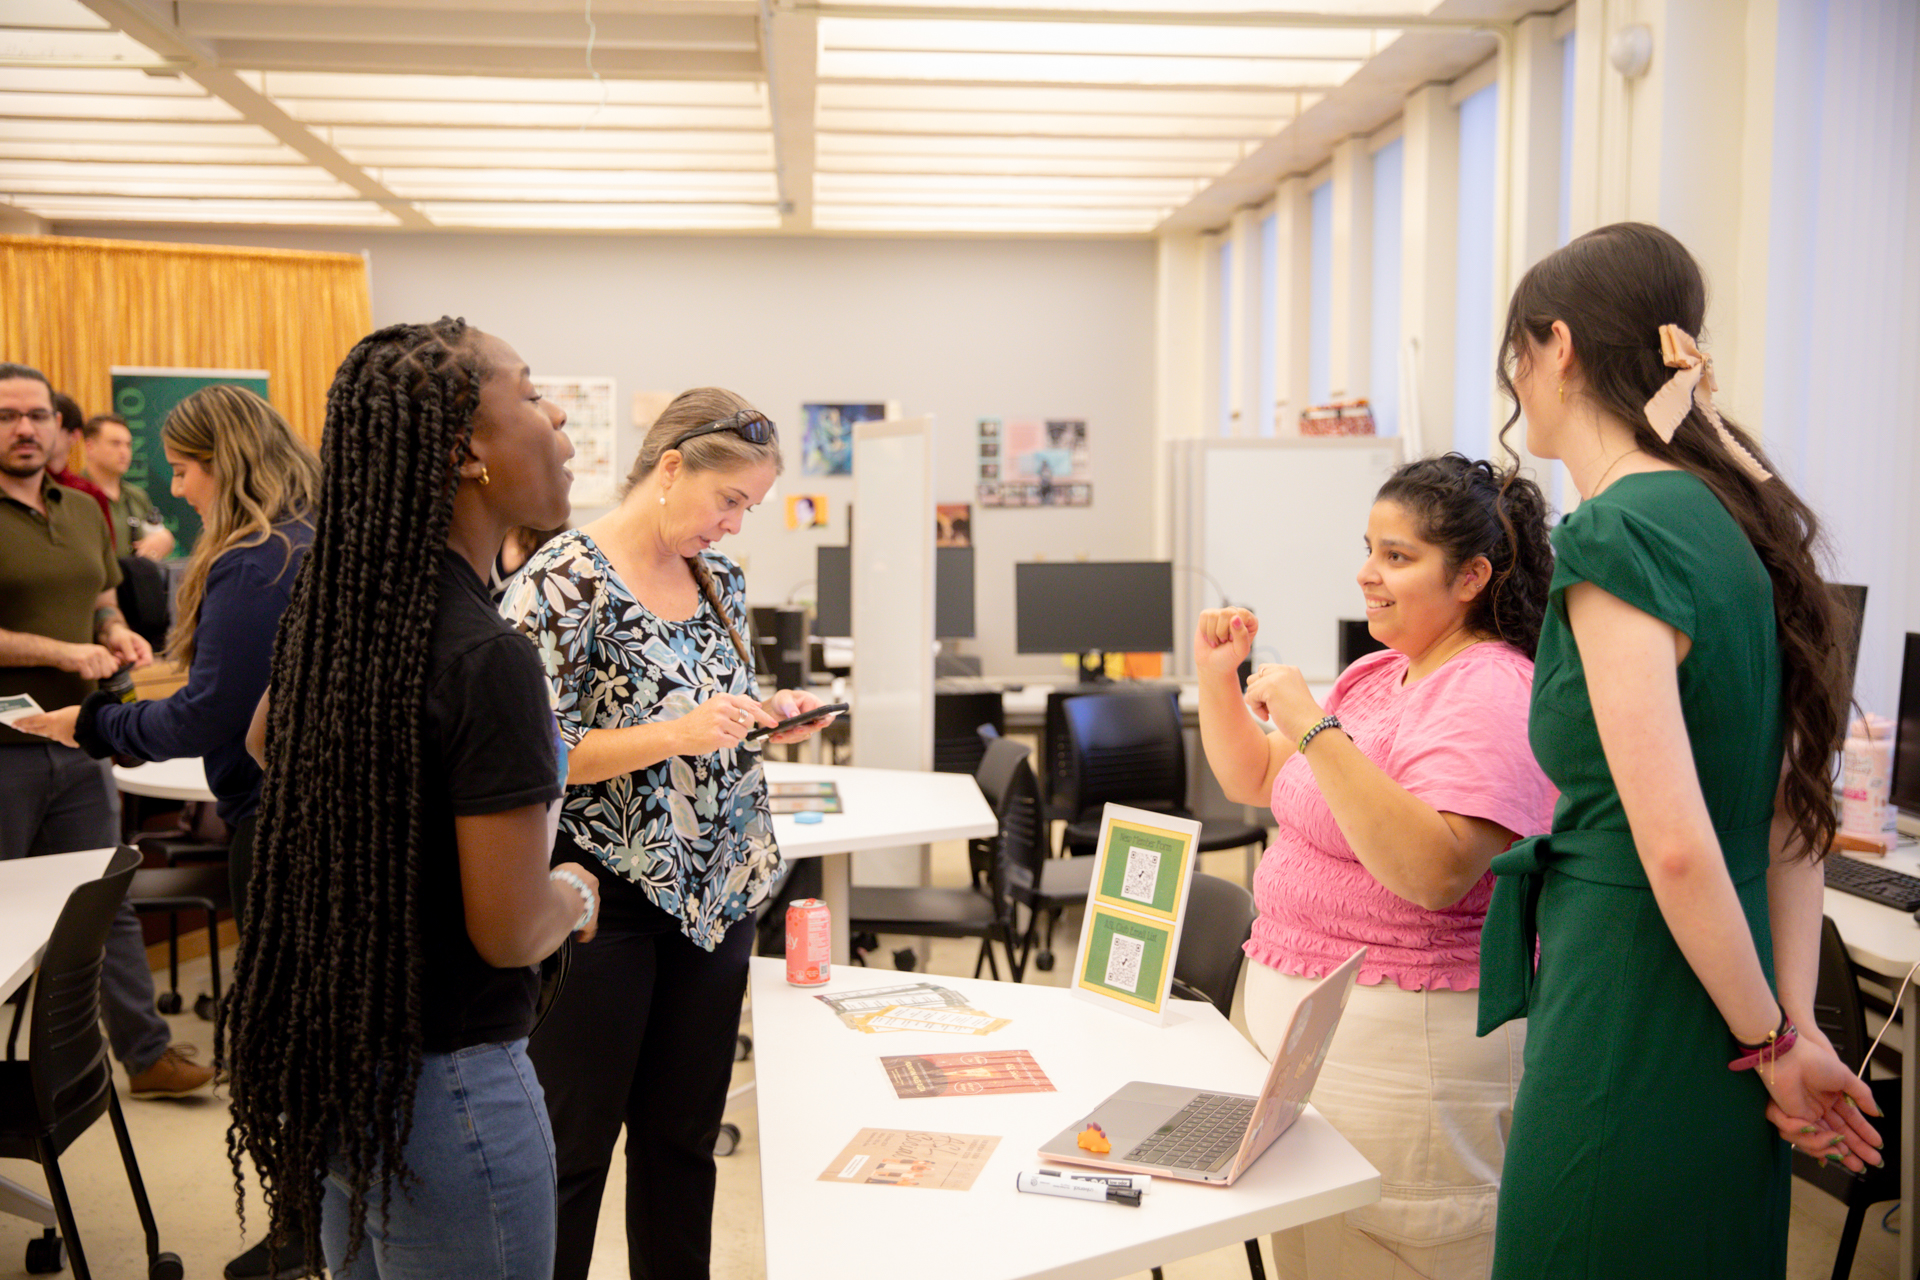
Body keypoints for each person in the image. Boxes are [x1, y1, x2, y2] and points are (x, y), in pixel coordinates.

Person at [1479, 222, 1881, 1279]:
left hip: (1634, 1004)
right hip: (1732, 1008)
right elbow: (1794, 814)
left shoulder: (1617, 535)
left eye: (1516, 357)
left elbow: (1676, 847)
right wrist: (1787, 1028)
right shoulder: (1743, 527)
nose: (1516, 385)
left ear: (1555, 345)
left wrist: (1778, 1043)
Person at [224, 318, 602, 1279]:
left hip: (354, 1066)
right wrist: (577, 892)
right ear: (468, 452)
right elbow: (510, 932)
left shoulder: (349, 615)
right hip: (456, 1097)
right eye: (530, 394)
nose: (559, 419)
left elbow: (268, 741)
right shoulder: (489, 659)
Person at [1194, 453, 1558, 1279]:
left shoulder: (1491, 688)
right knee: (1323, 1251)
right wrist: (1222, 681)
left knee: (1406, 1251)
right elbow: (1255, 776)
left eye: (1397, 556)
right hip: (1319, 1035)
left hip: (1416, 1053)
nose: (1367, 573)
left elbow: (1435, 872)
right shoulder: (1378, 674)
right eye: (1369, 548)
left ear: (1471, 576)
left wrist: (1312, 724)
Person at [501, 390, 837, 1280]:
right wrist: (677, 734)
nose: (733, 526)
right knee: (573, 1151)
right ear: (672, 468)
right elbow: (527, 754)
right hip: (599, 894)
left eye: (749, 510)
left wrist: (769, 718)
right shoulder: (560, 581)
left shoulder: (715, 579)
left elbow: (713, 707)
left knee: (684, 1143)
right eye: (729, 502)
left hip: (716, 886)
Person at [17, 385, 320, 1280]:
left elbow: (201, 717)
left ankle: (300, 1231)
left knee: (286, 1040)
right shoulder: (316, 540)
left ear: (222, 464)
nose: (180, 491)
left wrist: (93, 726)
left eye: (185, 471)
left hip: (279, 828)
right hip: (320, 824)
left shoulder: (254, 560)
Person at [0, 362, 211, 1098]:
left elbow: (100, 597)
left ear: (59, 427)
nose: (24, 428)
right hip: (4, 756)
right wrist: (64, 653)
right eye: (6, 416)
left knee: (107, 899)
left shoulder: (85, 509)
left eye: (36, 415)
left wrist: (115, 633)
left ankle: (147, 1056)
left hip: (79, 740)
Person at [83, 411, 175, 560]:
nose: (124, 452)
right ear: (90, 447)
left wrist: (164, 540)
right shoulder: (73, 493)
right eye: (115, 443)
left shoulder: (137, 496)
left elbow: (158, 533)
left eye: (128, 445)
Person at [49, 391, 115, 537]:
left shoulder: (90, 493)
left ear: (74, 435)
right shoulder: (20, 486)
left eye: (52, 427)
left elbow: (105, 552)